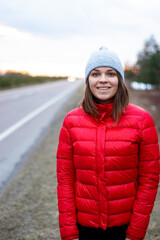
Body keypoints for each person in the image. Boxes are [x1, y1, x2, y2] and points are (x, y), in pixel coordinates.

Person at [56, 46, 159, 240]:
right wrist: (69, 232)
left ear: (119, 80)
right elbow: (65, 181)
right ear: (88, 80)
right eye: (96, 73)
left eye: (110, 73)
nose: (103, 79)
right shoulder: (71, 122)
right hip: (84, 227)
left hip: (125, 228)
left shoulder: (142, 120)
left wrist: (135, 232)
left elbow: (149, 180)